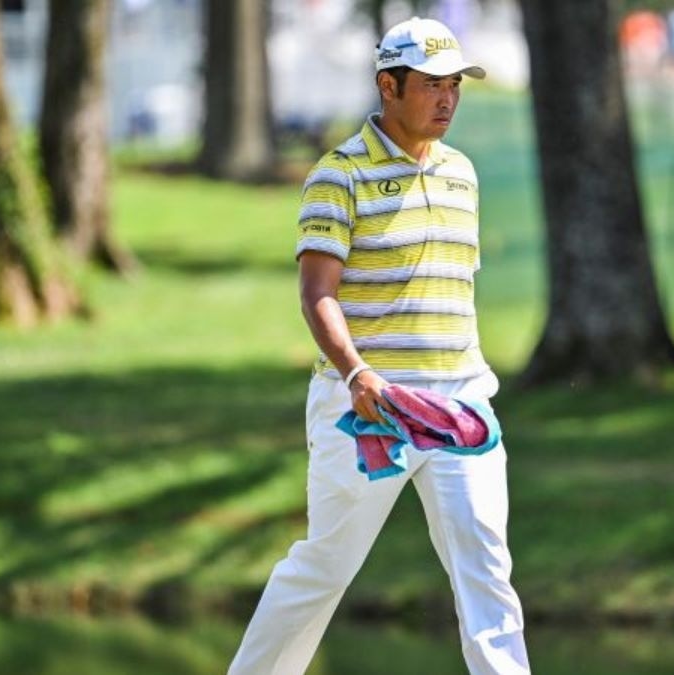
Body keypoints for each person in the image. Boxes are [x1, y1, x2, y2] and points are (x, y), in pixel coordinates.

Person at [226, 16, 531, 675]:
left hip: (458, 404)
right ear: (388, 86)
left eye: (455, 85)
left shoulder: (462, 174)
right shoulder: (338, 175)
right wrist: (356, 373)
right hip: (367, 405)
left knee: (486, 565)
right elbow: (317, 294)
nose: (448, 99)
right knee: (326, 565)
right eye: (431, 85)